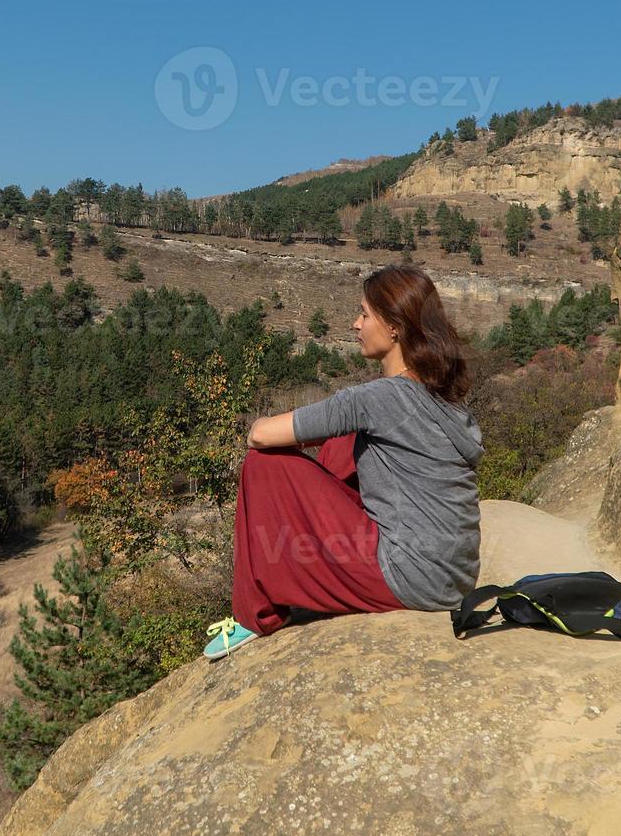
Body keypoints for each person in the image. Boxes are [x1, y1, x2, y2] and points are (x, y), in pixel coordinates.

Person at [203, 264, 485, 660]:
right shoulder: (444, 400)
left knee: (261, 464)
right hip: (454, 578)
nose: (355, 324)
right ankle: (307, 569)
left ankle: (255, 614)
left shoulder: (380, 398)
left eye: (364, 314)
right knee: (345, 442)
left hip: (409, 577)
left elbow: (260, 435)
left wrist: (272, 428)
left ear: (394, 328)